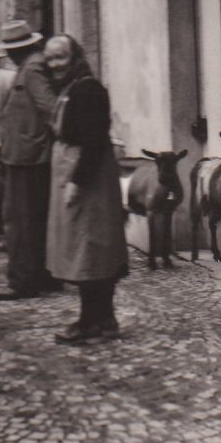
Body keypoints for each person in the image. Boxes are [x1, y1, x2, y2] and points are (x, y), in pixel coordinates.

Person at [44, 34, 128, 344]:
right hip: (76, 175)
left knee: (90, 250)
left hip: (88, 181)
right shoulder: (71, 88)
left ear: (75, 58)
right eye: (50, 58)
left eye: (60, 57)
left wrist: (77, 183)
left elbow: (93, 141)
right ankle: (98, 319)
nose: (54, 64)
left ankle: (96, 321)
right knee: (83, 252)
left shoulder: (89, 90)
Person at [0, 19, 59, 301]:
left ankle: (22, 282)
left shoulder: (31, 68)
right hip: (26, 155)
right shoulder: (31, 65)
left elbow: (51, 109)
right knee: (34, 220)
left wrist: (41, 143)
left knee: (18, 221)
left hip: (28, 158)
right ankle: (43, 275)